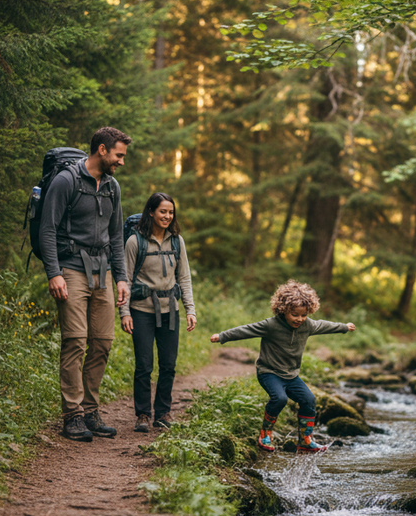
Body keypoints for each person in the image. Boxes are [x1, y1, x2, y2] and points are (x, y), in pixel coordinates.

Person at [39, 127, 130, 442]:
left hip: (102, 271)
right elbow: (47, 229)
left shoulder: (112, 187)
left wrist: (121, 277)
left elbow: (116, 235)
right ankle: (73, 416)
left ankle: (90, 412)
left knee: (102, 342)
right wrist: (54, 272)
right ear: (102, 150)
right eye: (118, 155)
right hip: (71, 268)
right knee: (75, 341)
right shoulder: (67, 181)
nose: (121, 162)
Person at [210, 280, 355, 453]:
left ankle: (305, 440)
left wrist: (344, 327)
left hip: (291, 375)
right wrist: (222, 336)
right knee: (280, 398)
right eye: (295, 314)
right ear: (283, 309)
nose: (299, 319)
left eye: (304, 315)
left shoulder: (307, 325)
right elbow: (246, 330)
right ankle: (265, 433)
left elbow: (324, 325)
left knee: (309, 399)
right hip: (269, 372)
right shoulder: (271, 325)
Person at [121, 192, 196, 432]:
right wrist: (125, 312)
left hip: (170, 310)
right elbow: (125, 279)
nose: (167, 216)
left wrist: (190, 310)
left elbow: (184, 277)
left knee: (168, 365)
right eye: (163, 211)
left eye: (171, 212)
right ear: (151, 212)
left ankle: (163, 413)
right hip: (141, 310)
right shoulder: (135, 242)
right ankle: (143, 414)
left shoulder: (177, 241)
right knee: (144, 365)